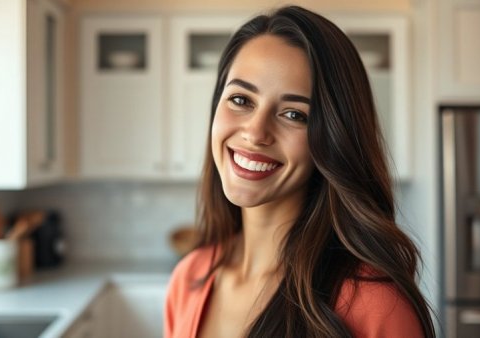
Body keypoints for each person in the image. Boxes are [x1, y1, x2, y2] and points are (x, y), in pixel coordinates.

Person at [164, 5, 436, 338]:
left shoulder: (374, 305)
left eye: (294, 115)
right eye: (241, 100)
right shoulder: (189, 278)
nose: (255, 132)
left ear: (334, 140)